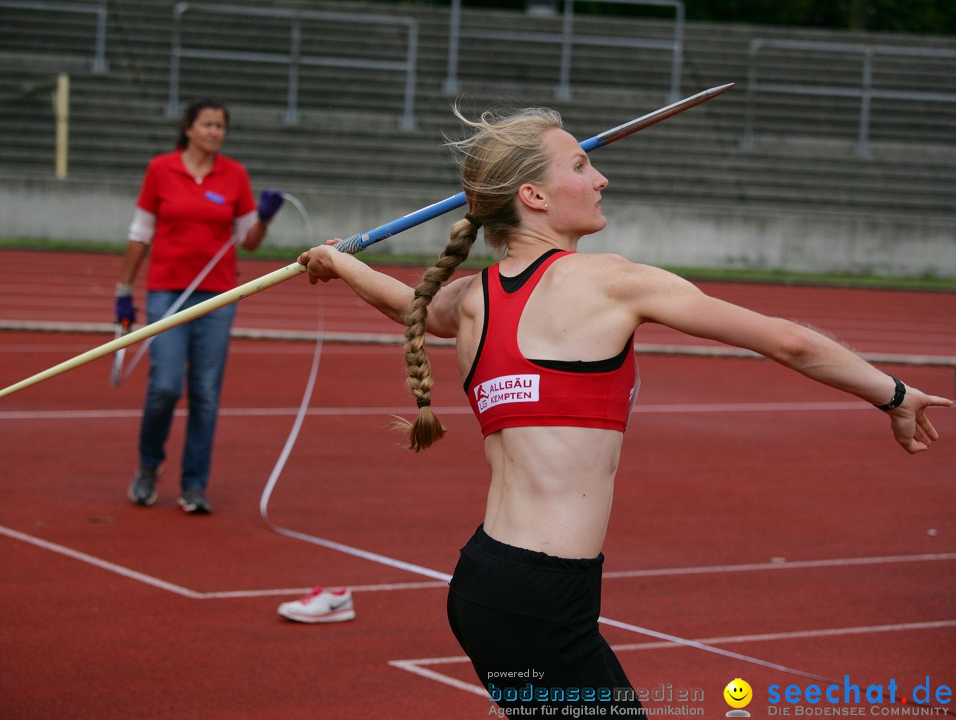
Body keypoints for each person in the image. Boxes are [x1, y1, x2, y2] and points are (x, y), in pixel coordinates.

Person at [297, 105, 951, 714]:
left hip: (485, 585)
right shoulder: (609, 281)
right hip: (542, 600)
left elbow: (408, 304)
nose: (601, 177)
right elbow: (789, 340)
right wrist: (893, 394)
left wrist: (337, 261)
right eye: (581, 166)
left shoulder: (472, 298)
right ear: (534, 197)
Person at [116, 97, 284, 515]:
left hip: (219, 295)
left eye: (220, 126)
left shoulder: (234, 174)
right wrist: (123, 289)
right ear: (188, 128)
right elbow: (140, 234)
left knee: (206, 393)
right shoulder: (161, 169)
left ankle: (194, 484)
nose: (214, 132)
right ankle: (149, 466)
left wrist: (263, 218)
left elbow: (248, 240)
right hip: (167, 292)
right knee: (165, 386)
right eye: (207, 124)